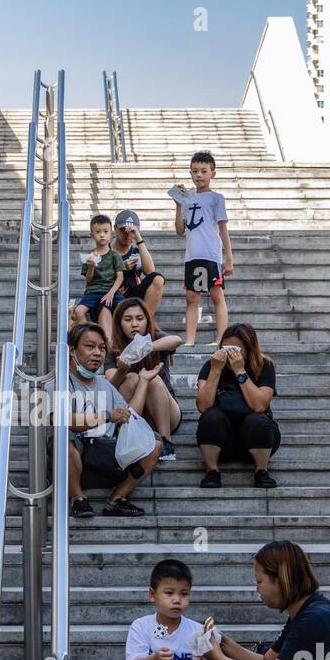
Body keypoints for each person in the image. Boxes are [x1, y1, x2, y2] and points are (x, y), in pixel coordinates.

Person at [59, 322, 164, 518]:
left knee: (155, 442)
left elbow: (129, 416)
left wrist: (143, 381)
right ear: (72, 350)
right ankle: (78, 499)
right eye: (90, 346)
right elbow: (64, 419)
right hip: (73, 461)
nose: (98, 353)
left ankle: (117, 499)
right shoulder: (58, 381)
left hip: (105, 456)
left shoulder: (104, 385)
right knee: (63, 436)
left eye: (101, 348)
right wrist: (107, 416)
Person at [195, 322, 280, 488]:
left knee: (257, 420)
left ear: (249, 349)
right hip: (221, 442)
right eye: (226, 348)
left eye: (237, 349)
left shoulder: (265, 366)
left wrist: (240, 371)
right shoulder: (211, 365)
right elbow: (203, 406)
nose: (230, 353)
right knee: (210, 417)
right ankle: (212, 470)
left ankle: (261, 470)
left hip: (257, 438)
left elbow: (260, 406)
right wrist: (215, 371)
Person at [105, 298, 183, 461]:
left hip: (165, 414)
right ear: (119, 323)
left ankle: (166, 444)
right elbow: (109, 385)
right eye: (128, 319)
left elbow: (177, 340)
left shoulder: (156, 338)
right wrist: (122, 371)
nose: (134, 324)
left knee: (151, 379)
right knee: (132, 378)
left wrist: (147, 347)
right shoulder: (113, 349)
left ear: (147, 320)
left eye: (140, 318)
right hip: (133, 414)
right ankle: (127, 437)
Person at [172, 150, 233, 346]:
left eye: (203, 171)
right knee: (191, 297)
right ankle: (190, 340)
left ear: (212, 173)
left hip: (211, 254)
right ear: (190, 173)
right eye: (194, 171)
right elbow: (180, 230)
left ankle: (221, 338)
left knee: (216, 294)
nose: (198, 175)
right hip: (192, 255)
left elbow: (223, 228)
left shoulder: (217, 198)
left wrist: (229, 257)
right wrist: (178, 204)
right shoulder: (187, 198)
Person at [71, 214, 126, 343]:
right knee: (78, 312)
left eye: (105, 231)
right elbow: (88, 280)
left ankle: (121, 338)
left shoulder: (114, 255)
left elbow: (120, 276)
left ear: (111, 233)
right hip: (92, 292)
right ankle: (90, 335)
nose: (102, 235)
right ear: (92, 235)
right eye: (98, 232)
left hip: (110, 290)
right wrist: (91, 266)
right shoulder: (89, 256)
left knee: (126, 307)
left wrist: (111, 293)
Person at [108, 210, 165, 316]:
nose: (127, 234)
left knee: (157, 279)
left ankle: (145, 324)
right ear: (115, 229)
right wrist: (122, 268)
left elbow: (151, 272)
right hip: (109, 295)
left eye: (131, 231)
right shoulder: (105, 250)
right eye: (123, 230)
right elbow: (97, 278)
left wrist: (138, 238)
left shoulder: (137, 252)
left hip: (132, 294)